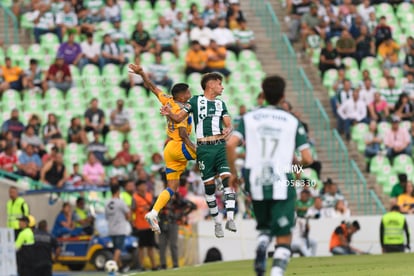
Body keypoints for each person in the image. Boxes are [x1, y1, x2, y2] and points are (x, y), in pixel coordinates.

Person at [226, 75, 313, 276]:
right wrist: (297, 173)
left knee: (264, 226)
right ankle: (276, 272)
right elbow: (304, 158)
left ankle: (263, 241)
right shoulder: (292, 121)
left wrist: (233, 173)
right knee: (284, 235)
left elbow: (230, 144)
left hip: (254, 179)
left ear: (263, 95)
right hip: (282, 180)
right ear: (283, 97)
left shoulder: (249, 118)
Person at [161, 72, 237, 238]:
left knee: (226, 178)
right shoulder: (194, 101)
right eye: (219, 83)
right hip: (203, 149)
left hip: (220, 146)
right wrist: (169, 114)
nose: (222, 87)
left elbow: (229, 123)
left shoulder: (221, 104)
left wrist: (228, 129)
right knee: (209, 187)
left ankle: (230, 217)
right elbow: (179, 116)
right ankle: (217, 221)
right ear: (210, 85)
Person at [128, 64, 196, 234]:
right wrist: (195, 150)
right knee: (207, 152)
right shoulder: (181, 109)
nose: (190, 95)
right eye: (187, 93)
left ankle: (154, 212)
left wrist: (142, 73)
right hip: (178, 145)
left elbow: (152, 87)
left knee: (172, 186)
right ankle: (218, 179)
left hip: (169, 150)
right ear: (181, 96)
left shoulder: (168, 100)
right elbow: (183, 134)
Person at [159, 191, 196, 269]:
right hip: (162, 224)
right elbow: (153, 209)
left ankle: (175, 264)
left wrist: (183, 214)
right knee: (162, 245)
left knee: (173, 245)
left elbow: (193, 206)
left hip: (173, 223)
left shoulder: (179, 201)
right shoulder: (161, 199)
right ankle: (163, 264)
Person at [105, 184, 131, 271]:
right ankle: (112, 268)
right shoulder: (120, 202)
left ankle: (120, 267)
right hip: (120, 229)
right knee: (119, 249)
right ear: (118, 191)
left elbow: (106, 217)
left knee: (116, 249)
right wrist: (127, 218)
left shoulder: (107, 203)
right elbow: (128, 214)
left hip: (111, 229)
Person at [133, 180, 158, 271]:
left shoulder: (149, 195)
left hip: (149, 225)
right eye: (142, 185)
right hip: (140, 226)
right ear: (138, 187)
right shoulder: (135, 197)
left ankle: (154, 265)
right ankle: (142, 266)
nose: (144, 186)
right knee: (141, 248)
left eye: (145, 184)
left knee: (151, 247)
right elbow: (132, 210)